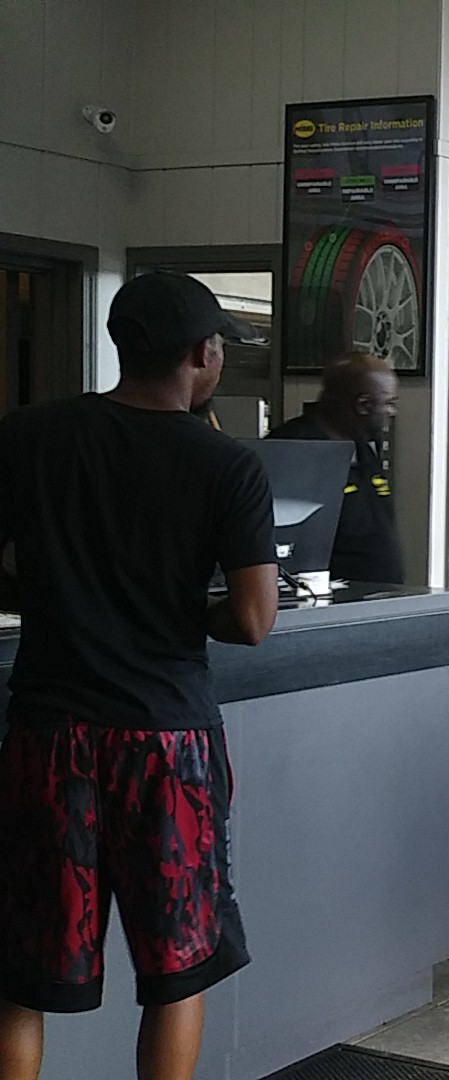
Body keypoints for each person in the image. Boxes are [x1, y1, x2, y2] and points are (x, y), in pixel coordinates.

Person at [0, 271, 281, 1080]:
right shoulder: (226, 465)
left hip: (48, 738)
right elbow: (254, 619)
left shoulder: (27, 435)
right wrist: (181, 606)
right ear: (201, 354)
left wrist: (55, 591)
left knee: (23, 973)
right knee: (175, 971)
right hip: (166, 746)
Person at [267, 351, 404, 584]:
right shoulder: (294, 449)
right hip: (324, 600)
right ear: (363, 405)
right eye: (389, 403)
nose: (393, 412)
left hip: (379, 598)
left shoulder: (363, 448)